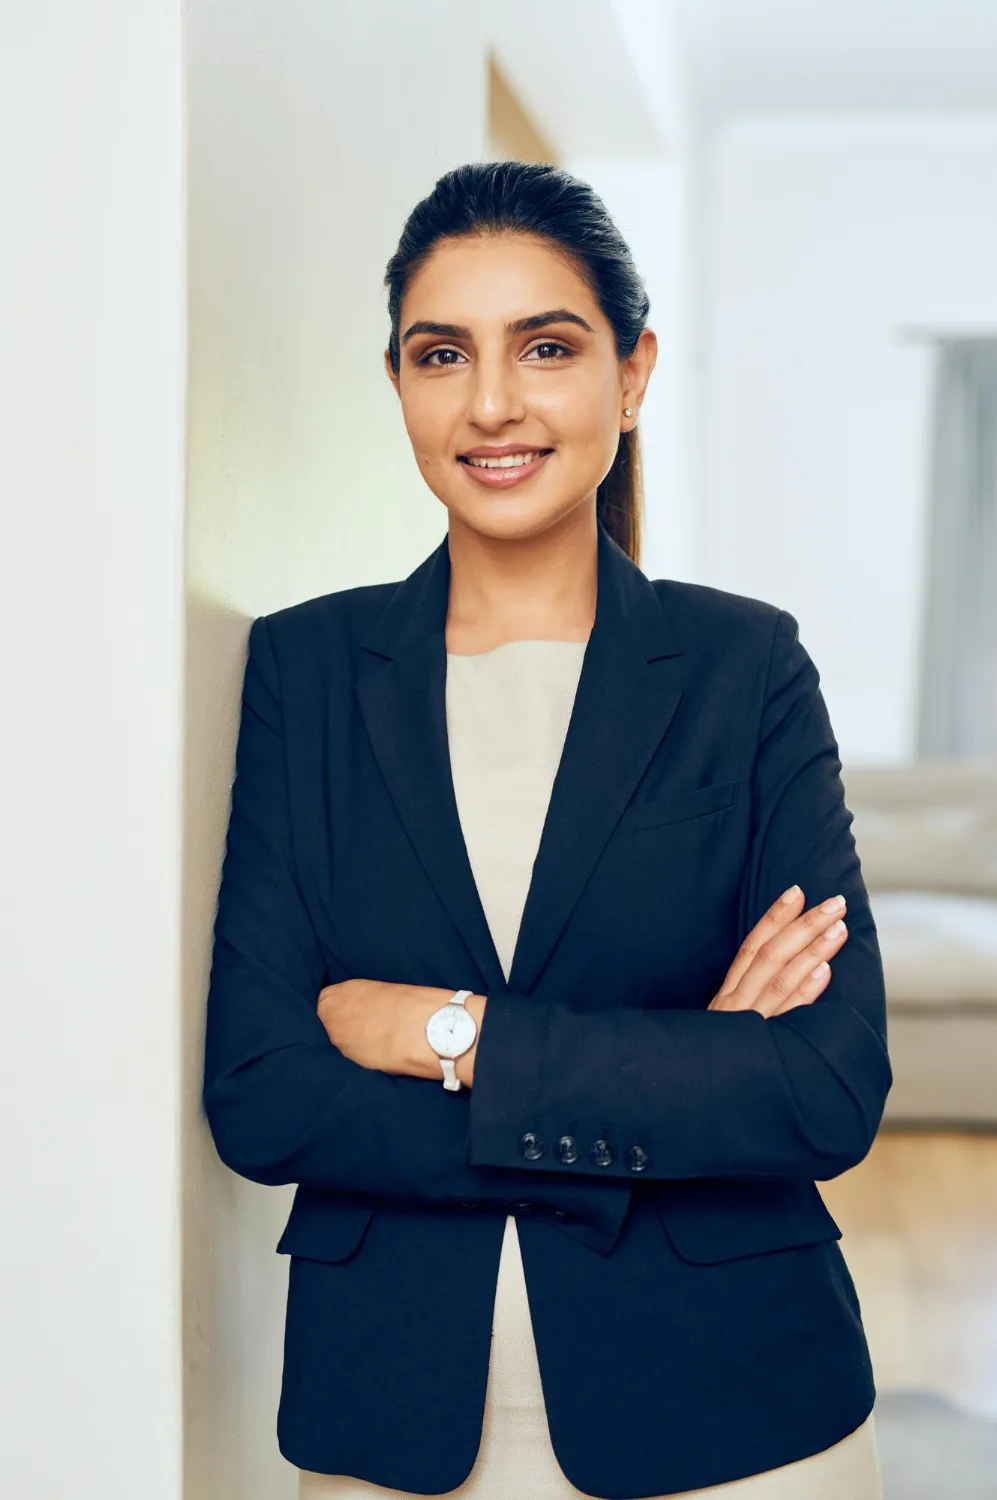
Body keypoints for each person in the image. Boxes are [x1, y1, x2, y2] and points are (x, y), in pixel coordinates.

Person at [202, 161, 890, 1499]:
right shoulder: (307, 670)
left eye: (549, 347)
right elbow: (265, 1091)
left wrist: (448, 1036)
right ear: (396, 382)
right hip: (390, 1415)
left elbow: (820, 1087)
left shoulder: (743, 668)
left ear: (631, 378)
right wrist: (678, 1077)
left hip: (740, 1415)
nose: (493, 402)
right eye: (442, 353)